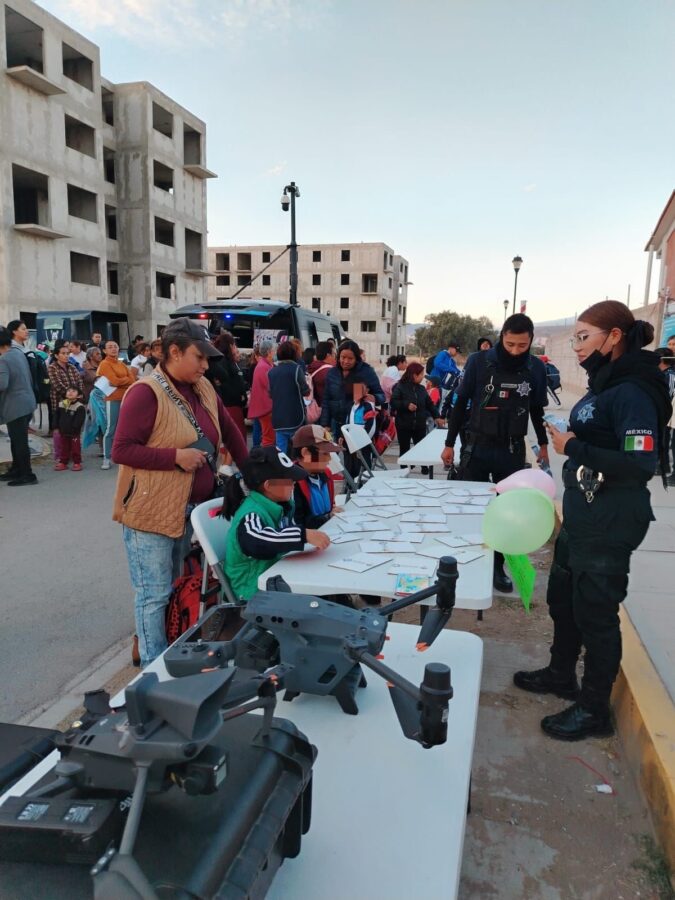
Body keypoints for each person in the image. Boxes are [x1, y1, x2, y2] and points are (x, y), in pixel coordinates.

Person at [513, 302, 672, 741]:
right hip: (583, 514)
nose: (577, 346)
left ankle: (594, 709)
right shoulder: (608, 383)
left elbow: (640, 464)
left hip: (610, 519)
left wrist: (573, 447)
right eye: (576, 338)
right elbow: (603, 435)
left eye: (584, 336)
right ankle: (561, 673)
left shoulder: (634, 390)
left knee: (597, 615)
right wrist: (575, 436)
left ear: (614, 336)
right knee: (564, 600)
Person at [112, 317, 249, 668]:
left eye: (208, 359)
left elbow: (230, 431)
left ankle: (168, 654)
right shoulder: (145, 392)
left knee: (174, 588)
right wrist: (176, 456)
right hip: (150, 513)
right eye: (199, 357)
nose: (206, 365)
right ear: (174, 352)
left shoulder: (202, 387)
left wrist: (256, 477)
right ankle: (152, 674)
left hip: (186, 511)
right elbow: (122, 450)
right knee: (153, 595)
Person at [441, 314, 549, 593]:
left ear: (531, 341)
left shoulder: (536, 368)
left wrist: (544, 445)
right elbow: (460, 401)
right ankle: (464, 564)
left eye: (522, 345)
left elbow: (537, 410)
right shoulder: (479, 361)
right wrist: (450, 442)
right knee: (469, 508)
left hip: (511, 451)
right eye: (510, 343)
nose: (515, 350)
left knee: (505, 513)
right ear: (502, 336)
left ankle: (496, 567)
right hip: (476, 447)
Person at [220, 445, 330, 602]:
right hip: (252, 590)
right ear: (268, 486)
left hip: (273, 575)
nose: (294, 485)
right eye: (289, 481)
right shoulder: (251, 514)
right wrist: (302, 535)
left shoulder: (279, 505)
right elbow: (257, 542)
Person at [320, 339, 385, 437]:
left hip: (357, 425)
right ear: (338, 356)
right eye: (343, 357)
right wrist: (325, 424)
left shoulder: (366, 372)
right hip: (335, 424)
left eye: (350, 358)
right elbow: (326, 400)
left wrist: (374, 397)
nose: (346, 361)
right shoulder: (332, 373)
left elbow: (381, 396)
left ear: (357, 358)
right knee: (332, 452)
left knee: (356, 452)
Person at [0, 327, 38, 486]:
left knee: (19, 441)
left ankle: (27, 474)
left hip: (15, 406)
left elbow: (2, 384)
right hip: (27, 402)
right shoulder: (18, 353)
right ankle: (17, 469)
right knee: (17, 440)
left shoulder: (4, 359)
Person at [391, 362, 444, 471]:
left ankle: (425, 468)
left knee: (421, 448)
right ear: (414, 375)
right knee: (404, 449)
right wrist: (406, 405)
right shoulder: (400, 387)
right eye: (421, 375)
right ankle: (404, 470)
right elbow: (393, 402)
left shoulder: (421, 389)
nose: (423, 378)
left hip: (419, 425)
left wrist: (437, 416)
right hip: (403, 425)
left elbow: (429, 404)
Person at [291, 424, 341, 528]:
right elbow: (299, 525)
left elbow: (330, 507)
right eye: (324, 454)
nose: (329, 459)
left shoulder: (326, 474)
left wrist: (332, 512)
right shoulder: (292, 484)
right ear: (305, 453)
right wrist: (328, 517)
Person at [97, 341, 136, 470]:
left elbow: (132, 380)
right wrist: (124, 381)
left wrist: (122, 382)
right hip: (112, 398)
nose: (113, 349)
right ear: (104, 351)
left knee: (125, 429)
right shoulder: (104, 364)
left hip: (126, 398)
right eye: (110, 347)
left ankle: (123, 456)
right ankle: (106, 458)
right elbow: (113, 382)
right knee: (111, 428)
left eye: (115, 346)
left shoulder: (122, 363)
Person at [205, 331, 248, 441]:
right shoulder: (223, 361)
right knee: (236, 439)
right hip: (230, 405)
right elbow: (225, 381)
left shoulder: (228, 360)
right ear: (230, 345)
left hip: (232, 404)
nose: (235, 347)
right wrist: (240, 396)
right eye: (234, 345)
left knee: (233, 439)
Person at [269, 339, 309, 453]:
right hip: (295, 416)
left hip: (278, 418)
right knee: (299, 450)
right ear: (293, 354)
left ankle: (282, 469)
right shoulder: (296, 369)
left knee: (281, 452)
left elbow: (270, 393)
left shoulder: (272, 372)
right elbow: (305, 391)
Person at [49, 341, 84, 465]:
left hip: (75, 402)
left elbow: (79, 382)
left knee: (74, 428)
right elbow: (57, 385)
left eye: (67, 353)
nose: (66, 355)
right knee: (60, 430)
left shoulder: (72, 367)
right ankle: (60, 455)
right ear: (57, 355)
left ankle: (74, 454)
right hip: (60, 403)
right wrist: (70, 394)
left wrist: (77, 395)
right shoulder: (52, 367)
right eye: (63, 353)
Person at [248, 340, 275, 447]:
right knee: (268, 438)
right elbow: (271, 388)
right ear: (269, 352)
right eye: (273, 350)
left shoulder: (264, 365)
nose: (275, 352)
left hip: (264, 407)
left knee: (265, 435)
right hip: (266, 408)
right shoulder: (264, 367)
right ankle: (267, 459)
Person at [655, 347, 675, 484]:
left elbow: (667, 396)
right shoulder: (663, 374)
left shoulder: (669, 375)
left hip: (667, 414)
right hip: (666, 414)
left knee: (667, 441)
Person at [54, 387, 86, 471]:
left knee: (75, 448)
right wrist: (56, 426)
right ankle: (63, 462)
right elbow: (56, 416)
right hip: (63, 431)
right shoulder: (61, 404)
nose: (70, 392)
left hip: (74, 432)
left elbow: (79, 420)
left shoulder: (79, 406)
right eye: (68, 391)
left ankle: (77, 463)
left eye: (74, 391)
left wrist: (75, 428)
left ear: (79, 395)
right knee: (64, 447)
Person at [307, 341, 335, 407]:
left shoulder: (313, 366)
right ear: (328, 356)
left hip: (315, 408)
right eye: (334, 354)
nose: (335, 357)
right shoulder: (329, 371)